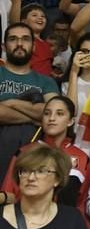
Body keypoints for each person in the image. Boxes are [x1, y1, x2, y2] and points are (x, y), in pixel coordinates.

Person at [1, 97, 90, 228]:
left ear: (71, 121)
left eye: (59, 113)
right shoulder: (24, 153)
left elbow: (82, 203)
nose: (51, 118)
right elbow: (9, 193)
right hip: (24, 226)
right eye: (47, 113)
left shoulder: (82, 158)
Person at [0, 23, 59, 180]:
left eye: (25, 39)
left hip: (34, 160)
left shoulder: (47, 82)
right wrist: (35, 117)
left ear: (33, 47)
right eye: (13, 39)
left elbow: (52, 114)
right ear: (4, 46)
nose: (19, 44)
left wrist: (11, 103)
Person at [0, 145, 88, 229]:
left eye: (41, 171)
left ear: (57, 179)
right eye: (25, 171)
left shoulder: (72, 220)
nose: (31, 178)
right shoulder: (2, 218)